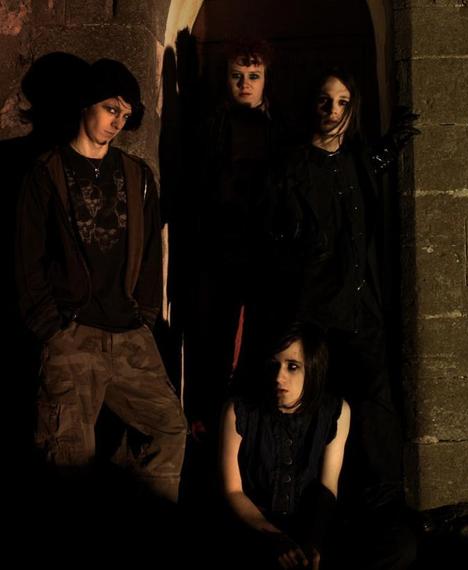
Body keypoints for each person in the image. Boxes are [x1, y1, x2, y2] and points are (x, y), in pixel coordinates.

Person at [15, 58, 187, 505]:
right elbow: (27, 258)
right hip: (72, 333)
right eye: (111, 109)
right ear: (86, 104)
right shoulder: (46, 172)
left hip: (129, 333)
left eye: (126, 115)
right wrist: (50, 328)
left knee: (170, 427)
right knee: (69, 456)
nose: (117, 122)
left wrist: (144, 316)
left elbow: (150, 254)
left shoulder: (137, 175)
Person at [265, 66, 420, 556]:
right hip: (316, 314)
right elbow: (274, 235)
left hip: (362, 310)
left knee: (375, 411)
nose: (332, 111)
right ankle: (309, 521)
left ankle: (383, 519)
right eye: (325, 101)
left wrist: (393, 142)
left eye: (342, 103)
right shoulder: (292, 165)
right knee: (318, 415)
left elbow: (373, 162)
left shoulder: (358, 158)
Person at [185, 39, 289, 439]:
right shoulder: (211, 128)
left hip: (265, 252)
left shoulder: (280, 130)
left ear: (266, 80)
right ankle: (211, 426)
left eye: (253, 76)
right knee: (215, 340)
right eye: (237, 76)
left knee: (262, 340)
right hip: (219, 250)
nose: (245, 84)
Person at [219, 323, 350, 570]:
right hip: (253, 525)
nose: (279, 377)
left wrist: (313, 540)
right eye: (274, 365)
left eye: (293, 366)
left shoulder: (334, 411)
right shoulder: (239, 412)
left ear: (312, 368)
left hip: (309, 524)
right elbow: (233, 491)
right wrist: (274, 537)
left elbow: (327, 487)